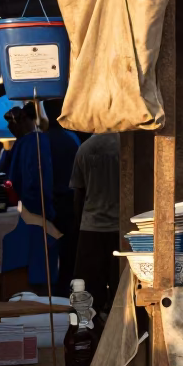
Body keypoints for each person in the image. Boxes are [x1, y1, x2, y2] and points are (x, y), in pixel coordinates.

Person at [0, 103, 60, 293]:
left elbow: (36, 184)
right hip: (32, 214)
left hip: (37, 214)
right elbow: (7, 178)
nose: (11, 129)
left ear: (24, 119)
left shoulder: (36, 142)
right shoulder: (25, 143)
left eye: (13, 124)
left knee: (39, 272)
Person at [71, 132, 121, 311]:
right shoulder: (126, 147)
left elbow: (79, 193)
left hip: (91, 228)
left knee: (89, 292)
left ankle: (91, 333)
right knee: (120, 290)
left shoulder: (85, 148)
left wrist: (78, 227)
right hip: (121, 229)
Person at [42, 99, 81, 295]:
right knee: (68, 254)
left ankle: (55, 292)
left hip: (50, 204)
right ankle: (65, 292)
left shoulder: (42, 140)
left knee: (51, 254)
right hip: (68, 202)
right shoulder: (71, 138)